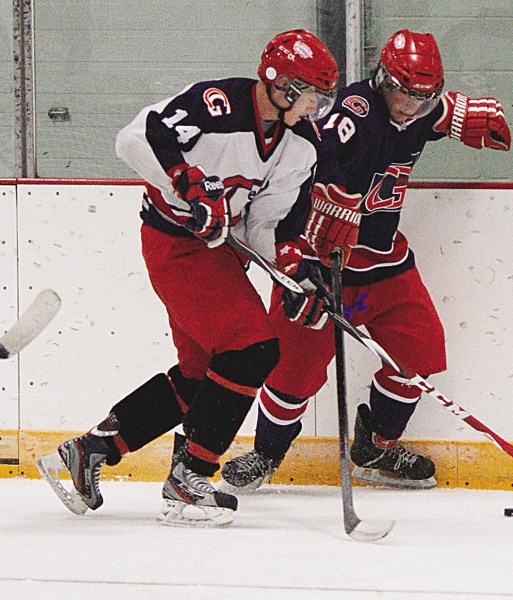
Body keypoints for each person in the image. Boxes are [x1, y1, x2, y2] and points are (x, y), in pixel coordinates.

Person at [37, 29, 339, 528]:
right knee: (253, 350)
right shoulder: (215, 105)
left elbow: (262, 225)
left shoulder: (301, 147)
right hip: (175, 247)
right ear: (280, 85)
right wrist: (186, 187)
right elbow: (135, 138)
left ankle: (90, 450)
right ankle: (189, 477)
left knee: (203, 377)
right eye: (310, 95)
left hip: (221, 256)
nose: (314, 107)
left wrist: (295, 274)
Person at [220, 29, 511, 492]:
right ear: (382, 79)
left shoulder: (420, 107)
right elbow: (314, 151)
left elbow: (439, 111)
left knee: (419, 353)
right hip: (321, 268)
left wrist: (463, 115)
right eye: (402, 92)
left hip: (386, 268)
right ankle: (264, 455)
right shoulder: (355, 111)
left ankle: (375, 449)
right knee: (293, 372)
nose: (410, 105)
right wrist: (327, 192)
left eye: (423, 95)